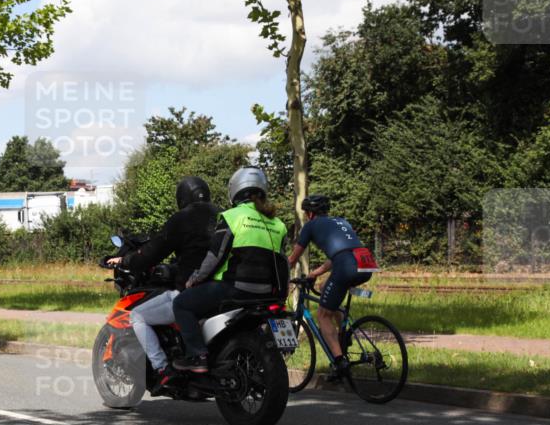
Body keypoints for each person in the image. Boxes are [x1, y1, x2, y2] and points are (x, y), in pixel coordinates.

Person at [105, 176, 217, 392]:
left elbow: (154, 251)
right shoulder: (222, 215)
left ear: (182, 198)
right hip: (220, 289)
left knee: (138, 316)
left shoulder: (183, 219)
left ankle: (163, 368)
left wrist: (128, 261)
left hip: (191, 290)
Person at [172, 167, 288, 373]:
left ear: (235, 190)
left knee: (181, 304)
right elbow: (283, 262)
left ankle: (197, 356)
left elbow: (215, 255)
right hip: (267, 294)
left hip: (234, 288)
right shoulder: (277, 223)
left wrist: (195, 279)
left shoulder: (233, 216)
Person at [287, 194, 378, 378]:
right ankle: (344, 336)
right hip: (365, 262)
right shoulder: (342, 221)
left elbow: (293, 258)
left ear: (310, 213)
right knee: (324, 288)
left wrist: (280, 274)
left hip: (346, 265)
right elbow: (342, 252)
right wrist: (315, 273)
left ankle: (339, 362)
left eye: (306, 213)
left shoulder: (310, 226)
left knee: (322, 315)